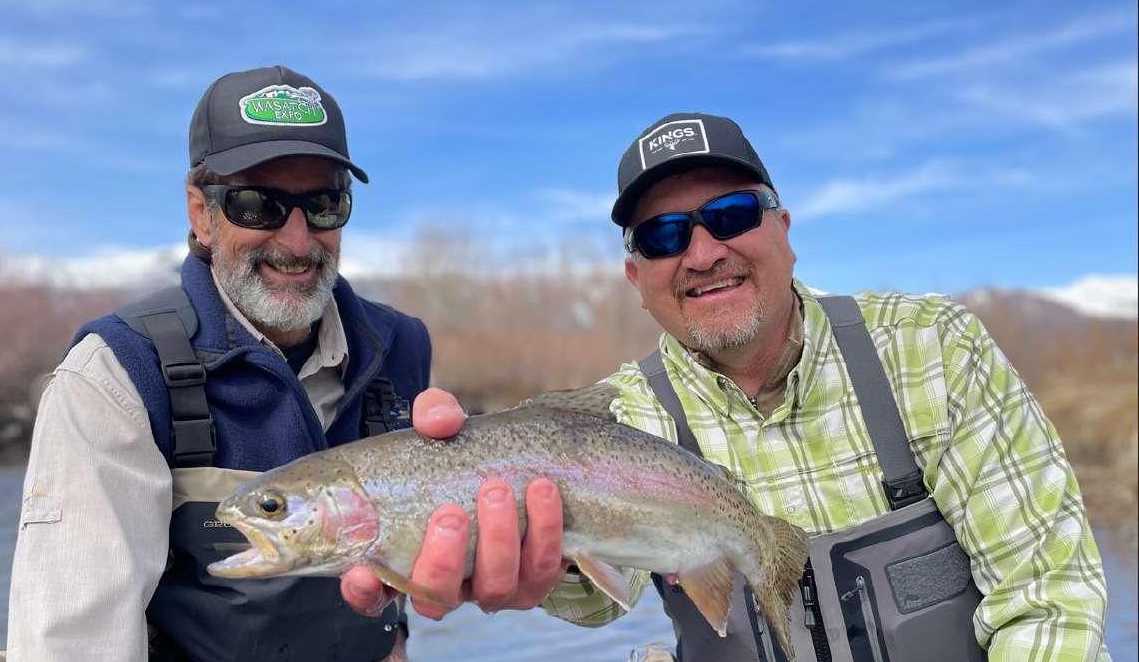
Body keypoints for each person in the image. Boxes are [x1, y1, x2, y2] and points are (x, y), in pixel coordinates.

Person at [376, 113, 1112, 661]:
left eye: (729, 216)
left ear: (784, 230)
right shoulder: (618, 419)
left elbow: (1049, 595)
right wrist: (505, 556)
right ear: (638, 278)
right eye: (663, 236)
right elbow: (602, 603)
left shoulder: (932, 349)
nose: (702, 253)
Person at [4, 65, 553, 662]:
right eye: (257, 205)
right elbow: (73, 644)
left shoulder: (400, 346)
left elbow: (389, 575)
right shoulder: (113, 375)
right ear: (199, 213)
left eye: (323, 204)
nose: (297, 242)